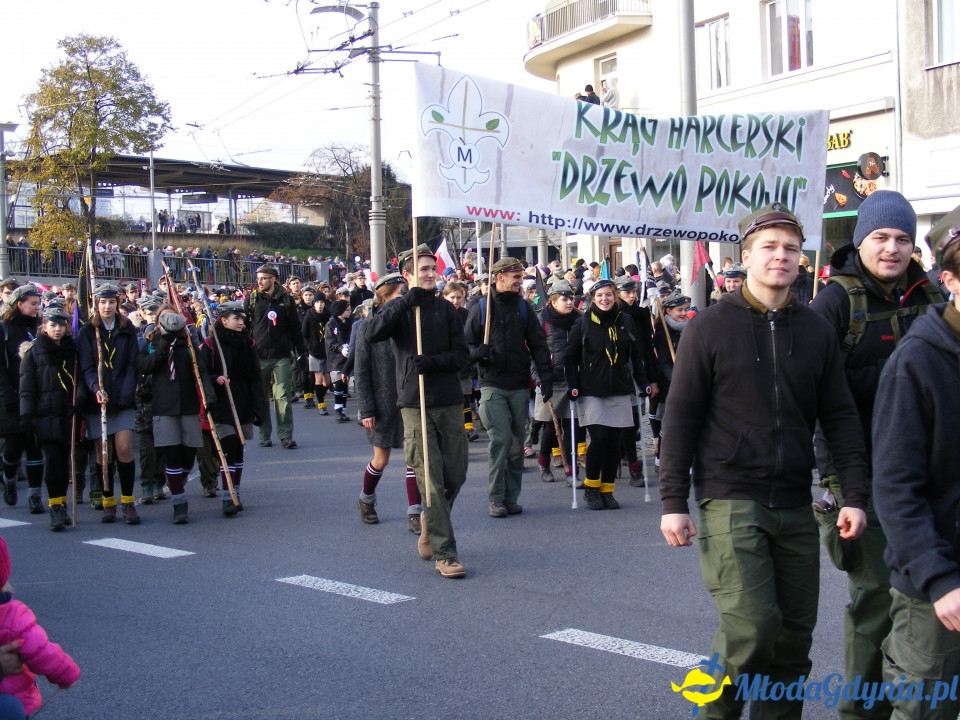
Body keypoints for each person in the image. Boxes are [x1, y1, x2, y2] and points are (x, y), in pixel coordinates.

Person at [659, 202, 869, 719]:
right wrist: (672, 502)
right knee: (750, 628)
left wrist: (854, 495)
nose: (781, 256)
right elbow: (680, 418)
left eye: (791, 248)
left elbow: (840, 417)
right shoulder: (709, 327)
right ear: (746, 256)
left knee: (792, 643)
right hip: (731, 497)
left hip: (795, 503)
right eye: (769, 247)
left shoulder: (816, 329)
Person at [809, 189, 943, 720]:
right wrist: (900, 374)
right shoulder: (834, 303)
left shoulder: (932, 293)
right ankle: (862, 712)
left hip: (927, 472)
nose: (892, 248)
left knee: (928, 602)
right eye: (881, 237)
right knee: (877, 601)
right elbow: (815, 392)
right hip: (859, 473)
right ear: (860, 240)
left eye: (903, 238)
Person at [872, 205, 960, 720]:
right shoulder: (917, 362)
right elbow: (896, 487)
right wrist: (938, 579)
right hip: (938, 592)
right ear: (949, 281)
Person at [365, 244, 470, 579]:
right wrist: (404, 302)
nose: (429, 274)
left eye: (431, 268)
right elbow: (372, 333)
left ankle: (430, 520)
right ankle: (445, 553)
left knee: (456, 473)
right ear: (407, 274)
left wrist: (434, 362)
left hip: (448, 399)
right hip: (414, 402)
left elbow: (462, 356)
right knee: (431, 480)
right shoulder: (399, 308)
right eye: (422, 269)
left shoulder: (447, 310)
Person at [464, 257, 553, 518]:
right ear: (500, 277)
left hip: (519, 384)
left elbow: (538, 345)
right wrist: (477, 353)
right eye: (516, 277)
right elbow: (463, 346)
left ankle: (511, 497)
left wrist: (546, 377)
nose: (520, 282)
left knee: (516, 445)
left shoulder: (524, 308)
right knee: (500, 440)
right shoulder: (481, 308)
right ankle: (496, 497)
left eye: (521, 277)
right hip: (491, 384)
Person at [563, 279, 652, 509]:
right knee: (600, 438)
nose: (605, 299)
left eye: (609, 295)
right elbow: (570, 359)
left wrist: (643, 382)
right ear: (593, 299)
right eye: (600, 295)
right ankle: (591, 488)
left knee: (614, 443)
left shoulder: (625, 321)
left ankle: (607, 489)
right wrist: (573, 384)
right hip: (591, 390)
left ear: (615, 297)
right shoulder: (583, 324)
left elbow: (635, 356)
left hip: (620, 388)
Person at [354, 273, 423, 532]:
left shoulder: (412, 324)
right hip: (382, 404)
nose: (405, 298)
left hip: (409, 400)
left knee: (412, 458)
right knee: (380, 460)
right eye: (400, 294)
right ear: (384, 298)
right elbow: (361, 372)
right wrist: (366, 409)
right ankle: (366, 498)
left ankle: (415, 512)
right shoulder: (368, 328)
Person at [137, 307, 215, 524]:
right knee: (171, 453)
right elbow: (145, 366)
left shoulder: (188, 345)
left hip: (188, 405)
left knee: (189, 453)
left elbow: (201, 371)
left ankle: (179, 478)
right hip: (163, 407)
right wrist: (163, 344)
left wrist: (209, 396)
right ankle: (179, 504)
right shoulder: (152, 344)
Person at [77, 283, 141, 524]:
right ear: (96, 304)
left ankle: (128, 501)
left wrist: (125, 395)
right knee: (104, 454)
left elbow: (132, 366)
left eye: (111, 302)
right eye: (102, 302)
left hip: (123, 399)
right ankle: (108, 501)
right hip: (98, 402)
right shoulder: (87, 332)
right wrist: (96, 388)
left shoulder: (127, 330)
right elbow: (86, 367)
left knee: (123, 448)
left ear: (117, 303)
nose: (107, 307)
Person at [0, 537, 80, 716]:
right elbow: (42, 651)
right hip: (14, 697)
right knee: (10, 709)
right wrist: (67, 675)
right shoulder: (14, 615)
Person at [204, 302, 267, 516]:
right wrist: (216, 379)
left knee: (239, 449)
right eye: (236, 319)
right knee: (228, 446)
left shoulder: (248, 344)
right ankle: (227, 495)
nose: (241, 323)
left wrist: (258, 407)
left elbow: (255, 377)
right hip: (222, 403)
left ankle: (235, 491)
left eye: (242, 319)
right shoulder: (212, 344)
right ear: (223, 320)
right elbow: (203, 373)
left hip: (243, 402)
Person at [18, 306, 77, 531]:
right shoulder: (33, 353)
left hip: (67, 414)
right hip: (44, 415)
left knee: (63, 463)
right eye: (52, 325)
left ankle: (62, 502)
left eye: (61, 325)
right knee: (52, 461)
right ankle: (55, 508)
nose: (57, 329)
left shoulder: (73, 351)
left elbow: (79, 380)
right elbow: (27, 389)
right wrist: (26, 415)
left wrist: (80, 400)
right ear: (44, 327)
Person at [243, 264, 306, 449]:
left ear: (273, 279)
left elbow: (295, 327)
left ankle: (285, 435)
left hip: (281, 355)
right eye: (258, 278)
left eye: (263, 278)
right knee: (261, 397)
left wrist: (301, 352)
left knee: (283, 396)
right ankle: (264, 434)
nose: (260, 281)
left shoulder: (286, 299)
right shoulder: (252, 299)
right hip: (259, 355)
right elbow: (245, 328)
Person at [533, 280, 583, 484]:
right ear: (553, 301)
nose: (570, 302)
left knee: (572, 427)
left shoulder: (580, 319)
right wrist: (539, 379)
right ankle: (543, 462)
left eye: (571, 298)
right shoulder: (542, 320)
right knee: (550, 429)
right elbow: (533, 352)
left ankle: (571, 471)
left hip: (572, 380)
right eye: (564, 299)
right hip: (550, 380)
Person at [613, 275, 661, 486]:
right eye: (627, 293)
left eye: (634, 292)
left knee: (633, 420)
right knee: (623, 420)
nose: (632, 296)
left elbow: (648, 349)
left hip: (638, 369)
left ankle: (624, 454)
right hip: (617, 372)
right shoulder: (614, 314)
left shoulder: (641, 314)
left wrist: (652, 378)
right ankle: (630, 462)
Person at [0, 286, 43, 513]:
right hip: (12, 397)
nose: (37, 307)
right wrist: (8, 396)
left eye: (38, 303)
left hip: (37, 396)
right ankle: (8, 477)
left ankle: (35, 496)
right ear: (19, 304)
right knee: (14, 447)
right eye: (33, 303)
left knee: (35, 446)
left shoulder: (39, 328)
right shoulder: (4, 330)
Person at [302, 292, 331, 416]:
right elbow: (304, 334)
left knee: (327, 381)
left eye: (322, 302)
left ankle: (320, 395)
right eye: (317, 302)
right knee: (318, 378)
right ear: (314, 304)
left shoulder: (329, 315)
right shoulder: (309, 316)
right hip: (315, 352)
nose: (320, 305)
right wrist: (310, 347)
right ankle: (321, 404)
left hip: (327, 351)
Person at [324, 300, 353, 423]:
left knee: (345, 385)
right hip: (336, 359)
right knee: (339, 384)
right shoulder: (331, 324)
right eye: (347, 310)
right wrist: (341, 348)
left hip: (348, 358)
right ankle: (338, 410)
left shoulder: (350, 322)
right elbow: (330, 342)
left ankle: (344, 410)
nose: (349, 312)